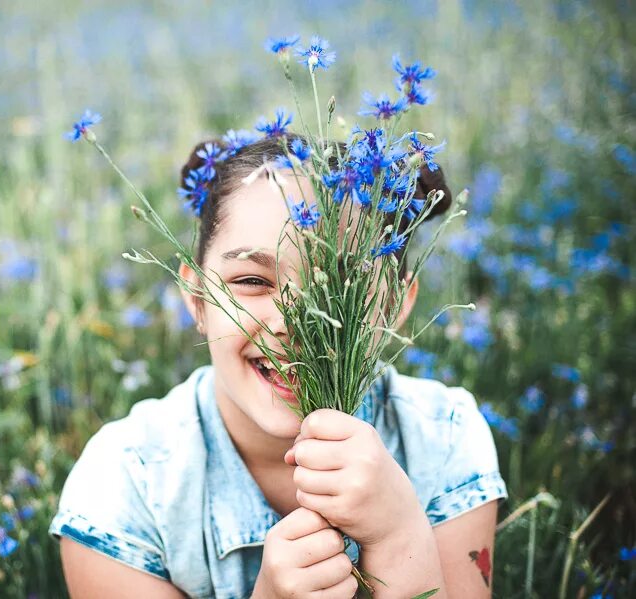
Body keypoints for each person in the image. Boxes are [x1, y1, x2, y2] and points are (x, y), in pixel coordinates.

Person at [49, 133, 508, 598]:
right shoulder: (123, 486)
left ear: (395, 304)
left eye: (340, 282)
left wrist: (398, 537)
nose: (294, 320)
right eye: (251, 280)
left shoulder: (444, 438)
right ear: (197, 298)